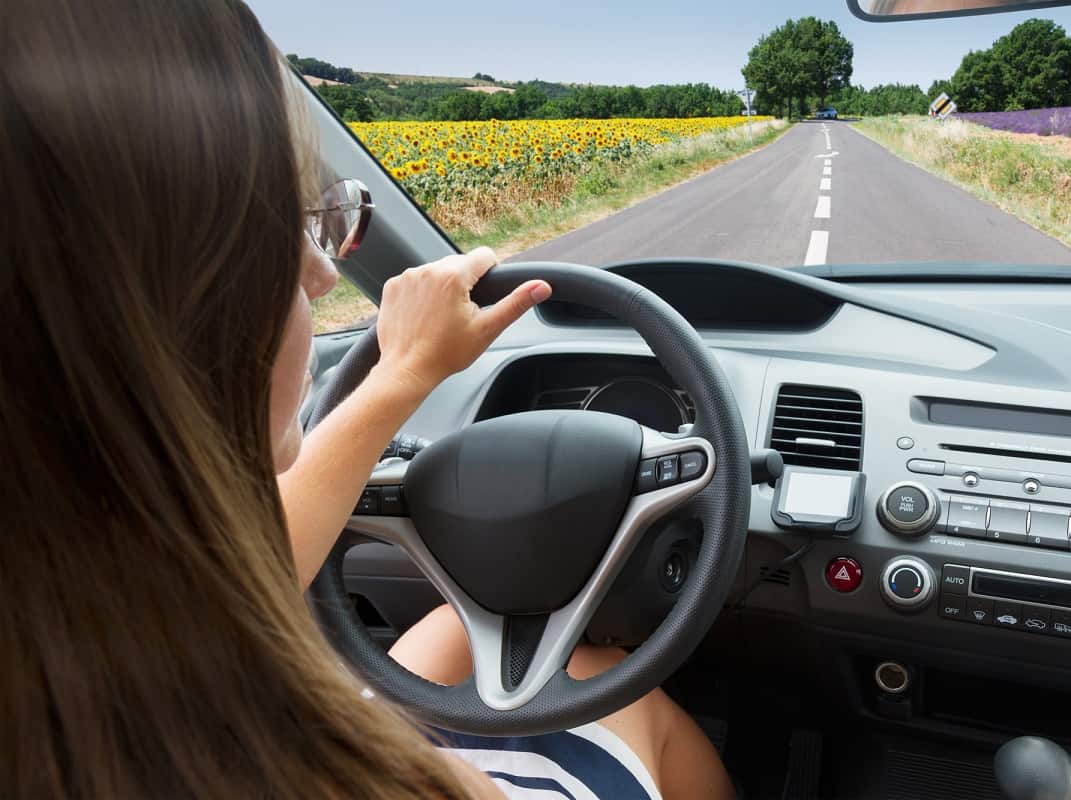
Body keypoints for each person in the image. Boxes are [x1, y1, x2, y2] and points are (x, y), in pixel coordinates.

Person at [0, 1, 735, 798]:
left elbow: (239, 566)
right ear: (163, 304)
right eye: (293, 222)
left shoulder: (79, 587)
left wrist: (399, 375)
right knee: (632, 703)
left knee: (465, 625)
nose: (323, 275)